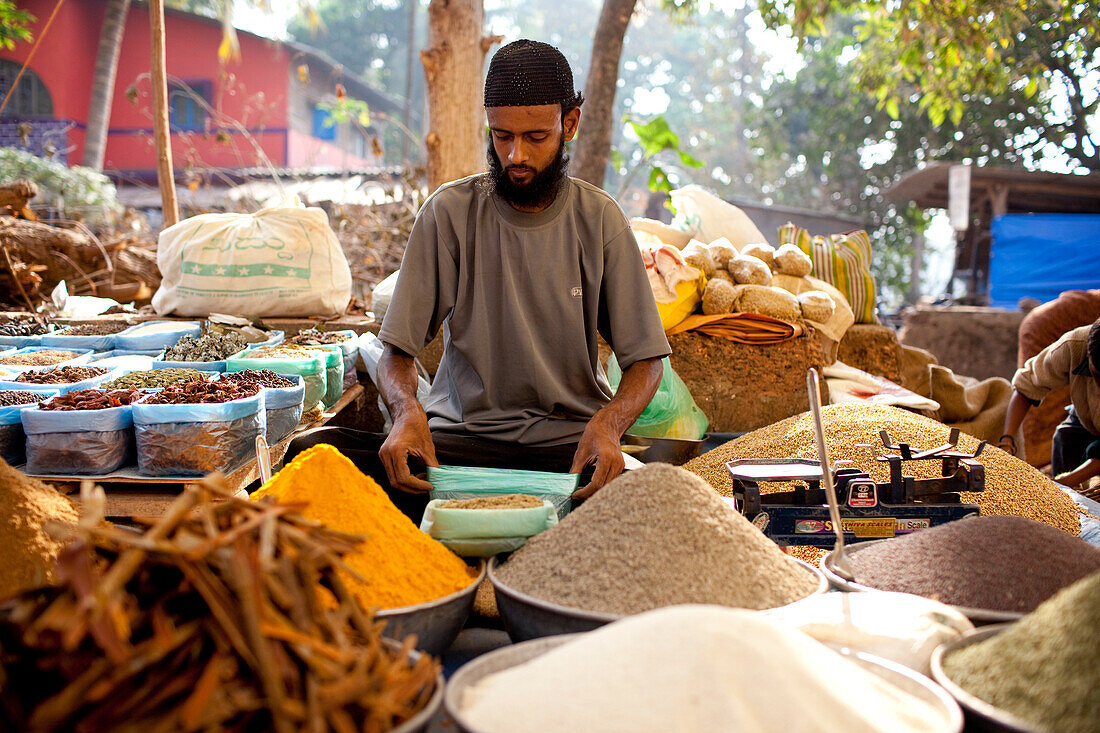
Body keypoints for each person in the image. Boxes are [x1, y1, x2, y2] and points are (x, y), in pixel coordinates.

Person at [287, 39, 670, 519]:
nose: (515, 156)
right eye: (501, 135)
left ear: (569, 124)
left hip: (571, 453)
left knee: (661, 503)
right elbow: (396, 354)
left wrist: (610, 426)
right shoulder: (448, 215)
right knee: (312, 458)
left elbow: (646, 363)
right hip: (460, 449)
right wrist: (407, 414)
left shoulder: (601, 221)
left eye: (535, 137)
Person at [1001, 318, 1100, 488]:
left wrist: (1063, 483)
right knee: (1065, 437)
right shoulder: (1074, 345)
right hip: (1087, 413)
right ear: (1088, 355)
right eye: (1097, 376)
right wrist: (1007, 441)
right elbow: (1027, 384)